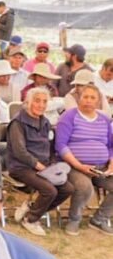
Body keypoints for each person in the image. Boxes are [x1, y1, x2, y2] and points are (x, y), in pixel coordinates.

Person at [6, 87, 75, 236]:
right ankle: (30, 220)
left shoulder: (45, 122)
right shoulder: (17, 123)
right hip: (21, 167)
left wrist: (51, 165)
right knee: (49, 190)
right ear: (27, 102)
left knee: (67, 189)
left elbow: (50, 148)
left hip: (43, 166)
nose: (41, 105)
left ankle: (32, 208)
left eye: (44, 101)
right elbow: (20, 152)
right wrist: (40, 166)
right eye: (37, 101)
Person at [55, 84, 113, 235]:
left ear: (98, 101)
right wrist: (79, 166)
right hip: (74, 166)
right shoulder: (68, 116)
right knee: (85, 187)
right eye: (85, 97)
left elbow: (110, 145)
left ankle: (99, 219)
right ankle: (74, 220)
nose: (88, 100)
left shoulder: (104, 119)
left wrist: (111, 162)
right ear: (79, 99)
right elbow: (61, 146)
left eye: (92, 97)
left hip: (101, 167)